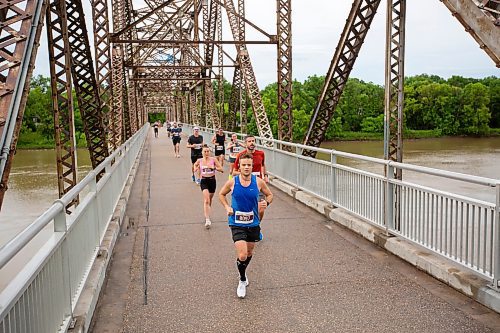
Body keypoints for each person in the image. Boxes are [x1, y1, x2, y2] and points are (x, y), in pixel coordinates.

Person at [219, 153, 273, 298]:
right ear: (239, 166)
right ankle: (242, 280)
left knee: (249, 253)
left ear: (252, 166)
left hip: (253, 222)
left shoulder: (259, 182)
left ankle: (242, 271)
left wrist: (265, 203)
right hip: (236, 222)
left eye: (249, 165)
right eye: (244, 165)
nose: (247, 167)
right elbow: (221, 194)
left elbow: (270, 195)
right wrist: (227, 207)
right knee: (242, 254)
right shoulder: (232, 182)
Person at [232, 135, 269, 221]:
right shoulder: (241, 156)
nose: (252, 143)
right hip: (246, 185)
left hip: (258, 185)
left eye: (253, 141)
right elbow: (234, 172)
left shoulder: (261, 154)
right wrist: (246, 173)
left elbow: (263, 165)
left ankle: (257, 225)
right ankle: (249, 226)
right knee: (248, 209)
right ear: (245, 144)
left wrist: (266, 175)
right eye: (249, 141)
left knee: (261, 209)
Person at [193, 145, 224, 228]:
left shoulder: (213, 159)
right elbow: (195, 165)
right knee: (206, 200)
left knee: (210, 199)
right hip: (203, 181)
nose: (206, 153)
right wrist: (195, 169)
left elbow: (221, 169)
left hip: (212, 181)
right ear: (202, 152)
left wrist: (213, 167)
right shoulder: (199, 160)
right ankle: (207, 219)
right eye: (205, 151)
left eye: (208, 151)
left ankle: (207, 211)